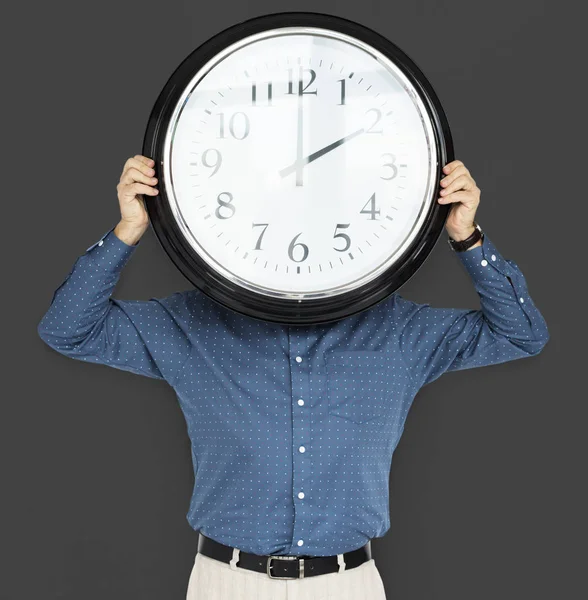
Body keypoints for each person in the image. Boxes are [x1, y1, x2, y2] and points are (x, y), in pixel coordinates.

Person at [37, 154, 549, 599]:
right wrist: (128, 228)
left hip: (347, 585)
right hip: (225, 583)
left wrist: (467, 236)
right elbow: (68, 330)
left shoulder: (400, 333)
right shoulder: (193, 324)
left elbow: (522, 333)